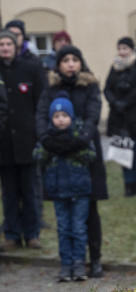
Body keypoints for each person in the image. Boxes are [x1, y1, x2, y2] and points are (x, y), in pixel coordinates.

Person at [36, 46, 109, 277]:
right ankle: (69, 261)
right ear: (58, 65)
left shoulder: (89, 86)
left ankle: (94, 258)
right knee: (65, 218)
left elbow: (92, 115)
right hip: (57, 154)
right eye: (65, 60)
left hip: (86, 153)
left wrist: (79, 140)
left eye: (74, 59)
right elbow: (40, 116)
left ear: (80, 63)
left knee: (90, 210)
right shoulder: (50, 89)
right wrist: (48, 140)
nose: (70, 64)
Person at [33, 93, 93, 282]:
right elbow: (37, 155)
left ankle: (79, 263)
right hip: (58, 191)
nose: (60, 120)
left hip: (79, 190)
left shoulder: (80, 134)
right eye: (56, 116)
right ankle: (65, 265)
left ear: (71, 117)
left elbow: (91, 155)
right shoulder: (47, 138)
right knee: (63, 229)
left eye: (64, 116)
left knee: (78, 229)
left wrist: (73, 147)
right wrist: (50, 147)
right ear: (51, 119)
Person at [0, 30, 38, 251]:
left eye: (8, 44)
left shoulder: (30, 69)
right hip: (4, 145)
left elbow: (40, 102)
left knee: (30, 191)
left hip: (27, 142)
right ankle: (12, 234)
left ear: (16, 47)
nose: (5, 48)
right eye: (1, 44)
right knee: (9, 193)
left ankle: (32, 234)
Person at [103, 37, 136, 196]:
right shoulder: (115, 66)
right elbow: (107, 88)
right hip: (119, 116)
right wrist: (115, 102)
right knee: (122, 150)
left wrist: (126, 102)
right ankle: (128, 184)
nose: (122, 51)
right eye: (120, 48)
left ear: (131, 49)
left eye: (125, 48)